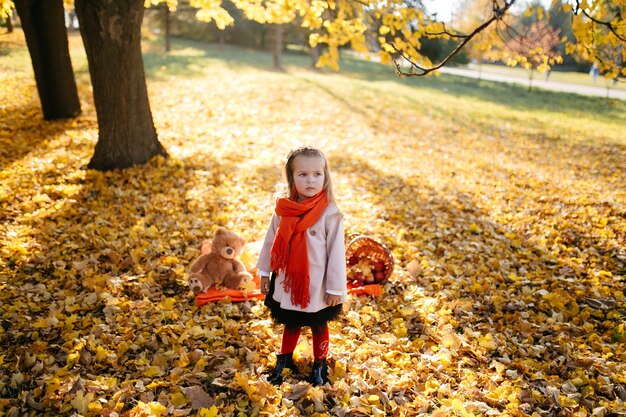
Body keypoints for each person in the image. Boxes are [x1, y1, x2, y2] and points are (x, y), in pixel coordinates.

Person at [256, 146, 347, 386]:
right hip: (288, 281)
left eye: (317, 174)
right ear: (292, 178)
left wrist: (335, 288)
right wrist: (265, 272)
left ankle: (320, 365)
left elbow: (337, 253)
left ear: (325, 177)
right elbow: (271, 241)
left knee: (319, 324)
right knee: (291, 322)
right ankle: (284, 359)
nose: (311, 180)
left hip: (318, 284)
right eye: (303, 174)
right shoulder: (284, 209)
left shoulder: (330, 213)